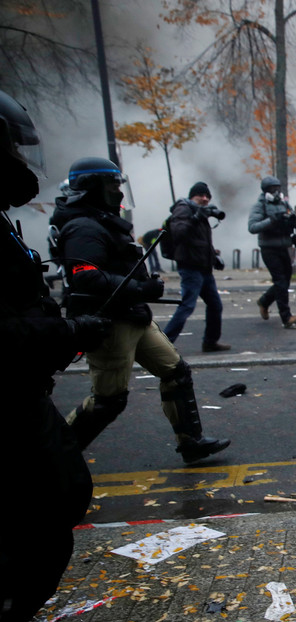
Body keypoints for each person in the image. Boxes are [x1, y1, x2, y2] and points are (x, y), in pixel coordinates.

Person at [0, 89, 104, 622]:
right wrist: (65, 332)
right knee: (46, 506)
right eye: (11, 149)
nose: (19, 164)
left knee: (58, 494)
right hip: (6, 396)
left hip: (21, 388)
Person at [52, 156, 231, 466]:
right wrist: (139, 288)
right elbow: (84, 274)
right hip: (109, 322)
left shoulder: (101, 221)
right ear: (92, 188)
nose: (119, 193)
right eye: (112, 186)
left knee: (176, 373)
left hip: (133, 316)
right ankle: (53, 459)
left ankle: (191, 442)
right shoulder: (83, 226)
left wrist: (144, 286)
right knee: (108, 400)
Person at [162, 182, 230, 352]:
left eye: (207, 196)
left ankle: (210, 342)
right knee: (187, 306)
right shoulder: (183, 208)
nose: (205, 199)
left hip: (204, 267)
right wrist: (196, 217)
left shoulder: (200, 213)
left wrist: (214, 258)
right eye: (201, 195)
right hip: (190, 266)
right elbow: (179, 234)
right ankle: (162, 344)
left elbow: (200, 241)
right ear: (193, 196)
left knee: (215, 305)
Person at [248, 175, 296, 328]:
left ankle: (264, 301)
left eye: (277, 188)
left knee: (286, 279)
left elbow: (295, 221)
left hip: (284, 246)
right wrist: (271, 220)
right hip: (268, 247)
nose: (276, 192)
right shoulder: (260, 205)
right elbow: (252, 227)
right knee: (280, 281)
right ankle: (286, 316)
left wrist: (292, 220)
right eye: (273, 189)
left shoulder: (283, 203)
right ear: (265, 190)